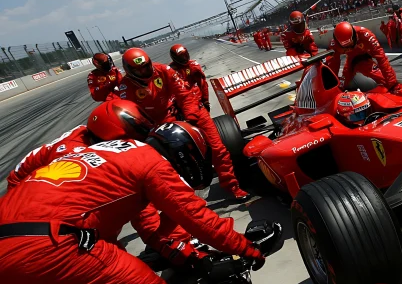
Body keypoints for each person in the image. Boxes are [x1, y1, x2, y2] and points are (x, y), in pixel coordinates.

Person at [0, 121, 265, 284]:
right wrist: (248, 248)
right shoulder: (149, 161)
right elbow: (198, 219)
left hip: (12, 255)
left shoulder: (100, 153)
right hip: (47, 244)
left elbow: (154, 229)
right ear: (184, 153)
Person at [7, 99, 205, 269]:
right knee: (98, 242)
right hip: (26, 204)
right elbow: (141, 210)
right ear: (110, 135)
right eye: (128, 140)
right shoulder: (74, 154)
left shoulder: (90, 137)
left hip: (41, 190)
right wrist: (169, 245)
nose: (134, 146)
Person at [116, 48, 248, 198]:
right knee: (171, 166)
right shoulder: (125, 87)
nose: (144, 71)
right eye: (138, 70)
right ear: (129, 70)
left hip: (190, 111)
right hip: (160, 124)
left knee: (217, 149)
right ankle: (188, 200)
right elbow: (132, 114)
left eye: (146, 66)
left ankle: (232, 187)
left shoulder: (164, 70)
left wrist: (190, 119)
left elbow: (185, 96)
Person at [329, 22, 398, 91]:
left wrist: (392, 84)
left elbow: (382, 58)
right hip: (350, 60)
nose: (349, 49)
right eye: (346, 48)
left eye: (351, 45)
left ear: (355, 36)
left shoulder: (366, 35)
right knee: (340, 86)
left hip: (364, 58)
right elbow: (333, 66)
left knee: (386, 80)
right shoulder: (334, 45)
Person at [169, 44, 211, 111]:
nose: (184, 58)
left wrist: (205, 100)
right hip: (181, 104)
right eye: (181, 57)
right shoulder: (170, 70)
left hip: (197, 100)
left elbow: (202, 84)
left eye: (185, 55)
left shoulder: (193, 65)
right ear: (175, 58)